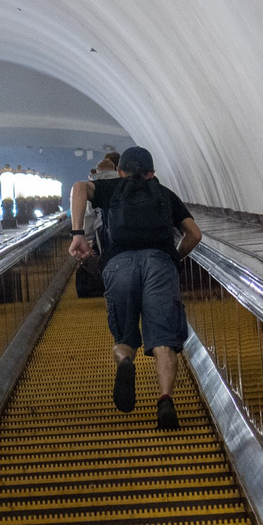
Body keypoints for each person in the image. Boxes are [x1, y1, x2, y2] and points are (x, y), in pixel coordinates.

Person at [69, 146, 202, 430]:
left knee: (124, 336)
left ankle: (125, 361)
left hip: (119, 265)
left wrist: (78, 233)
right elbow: (194, 234)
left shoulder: (112, 188)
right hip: (159, 263)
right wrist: (173, 258)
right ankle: (165, 399)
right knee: (164, 339)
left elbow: (79, 187)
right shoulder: (165, 195)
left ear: (120, 171)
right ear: (152, 172)